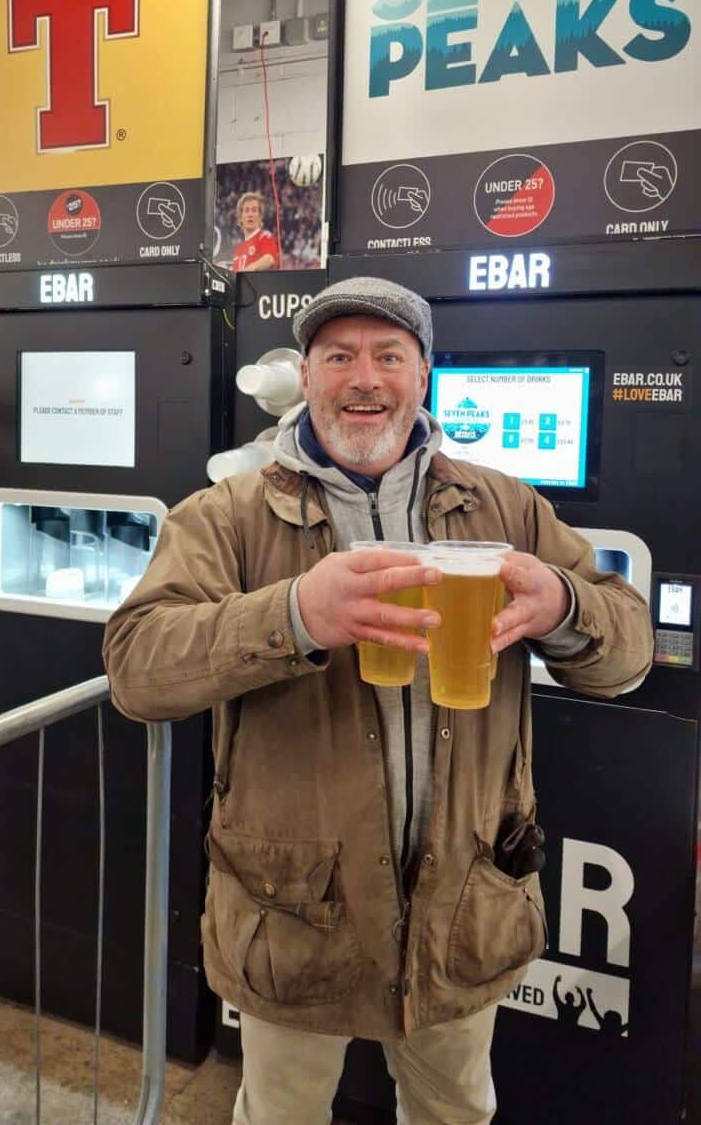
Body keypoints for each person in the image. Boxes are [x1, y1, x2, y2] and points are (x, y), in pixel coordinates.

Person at [103, 277, 653, 1125]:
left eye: (388, 355)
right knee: (281, 1113)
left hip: (463, 906)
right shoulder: (228, 516)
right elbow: (137, 667)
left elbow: (628, 651)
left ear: (423, 375)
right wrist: (293, 615)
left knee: (454, 1111)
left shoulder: (501, 504)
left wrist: (566, 606)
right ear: (309, 375)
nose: (365, 378)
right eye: (339, 357)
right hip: (291, 913)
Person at [231, 191, 279, 272]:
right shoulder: (238, 249)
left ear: (260, 216)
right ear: (240, 217)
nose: (250, 214)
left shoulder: (265, 236)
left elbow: (269, 259)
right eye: (246, 210)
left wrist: (242, 273)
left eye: (254, 210)